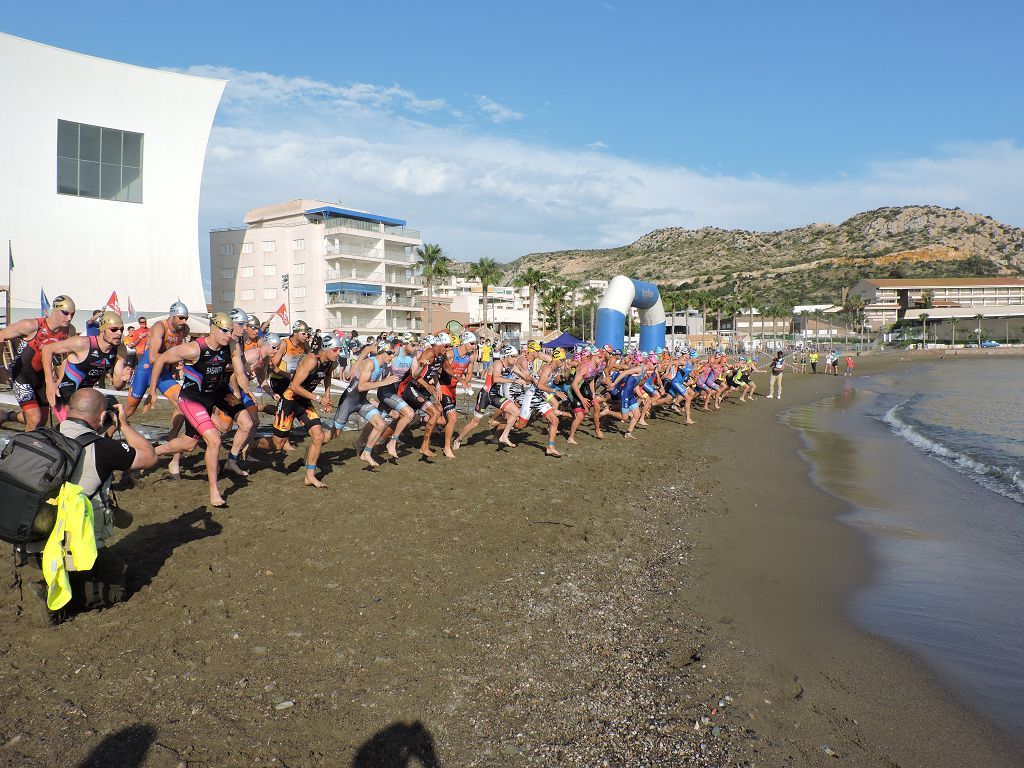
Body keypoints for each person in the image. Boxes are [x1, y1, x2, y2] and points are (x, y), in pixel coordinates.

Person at [41, 388, 156, 619]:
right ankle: (58, 603)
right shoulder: (102, 448)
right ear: (103, 416)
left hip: (41, 530)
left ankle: (59, 579)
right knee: (118, 584)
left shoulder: (49, 435)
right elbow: (150, 456)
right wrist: (123, 424)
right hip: (75, 539)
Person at [144, 313, 254, 507]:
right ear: (213, 328)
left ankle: (231, 460)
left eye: (231, 331)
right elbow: (160, 360)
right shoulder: (194, 348)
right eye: (225, 331)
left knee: (246, 423)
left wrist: (246, 389)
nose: (229, 335)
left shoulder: (232, 345)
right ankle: (214, 490)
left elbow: (239, 372)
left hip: (218, 392)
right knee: (208, 441)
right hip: (193, 397)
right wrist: (152, 391)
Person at [0, 295, 76, 431]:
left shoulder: (69, 330)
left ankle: (6, 416)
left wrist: (59, 380)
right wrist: (0, 366)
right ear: (55, 310)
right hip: (21, 374)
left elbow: (67, 357)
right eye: (65, 313)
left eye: (72, 314)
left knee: (42, 420)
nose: (69, 318)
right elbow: (1, 335)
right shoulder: (32, 325)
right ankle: (26, 449)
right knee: (34, 418)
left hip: (42, 376)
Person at [41, 311, 131, 421]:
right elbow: (47, 349)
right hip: (65, 394)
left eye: (121, 329)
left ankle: (107, 436)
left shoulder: (120, 349)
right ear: (102, 329)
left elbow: (117, 385)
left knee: (115, 416)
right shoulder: (83, 343)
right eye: (113, 329)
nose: (119, 333)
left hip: (86, 396)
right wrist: (50, 383)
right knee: (76, 429)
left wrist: (124, 379)